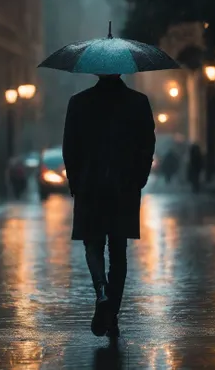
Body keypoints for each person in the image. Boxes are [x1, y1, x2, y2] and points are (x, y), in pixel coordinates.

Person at [62, 74, 155, 338]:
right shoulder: (138, 102)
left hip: (89, 186)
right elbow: (147, 144)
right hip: (124, 187)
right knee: (118, 250)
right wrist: (139, 178)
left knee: (92, 244)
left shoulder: (79, 103)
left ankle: (101, 292)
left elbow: (69, 147)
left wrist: (75, 181)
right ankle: (112, 312)